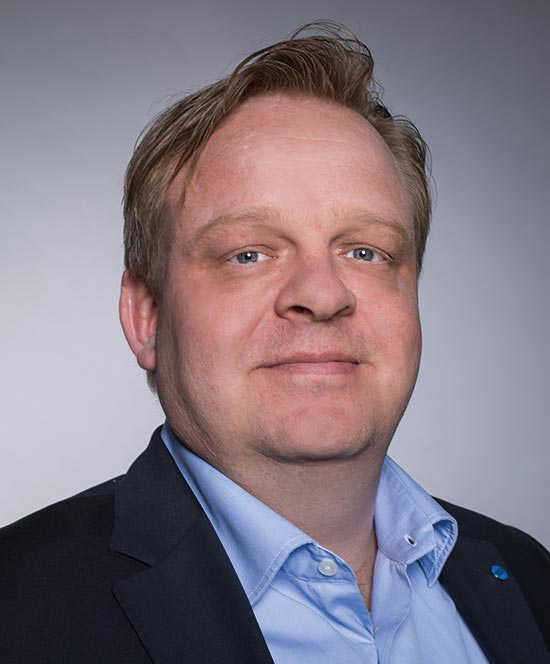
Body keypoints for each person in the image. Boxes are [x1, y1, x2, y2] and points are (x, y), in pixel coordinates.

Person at [1, 21, 548, 664]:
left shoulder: (527, 576)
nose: (322, 294)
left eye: (365, 251)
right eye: (249, 253)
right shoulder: (17, 608)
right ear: (145, 316)